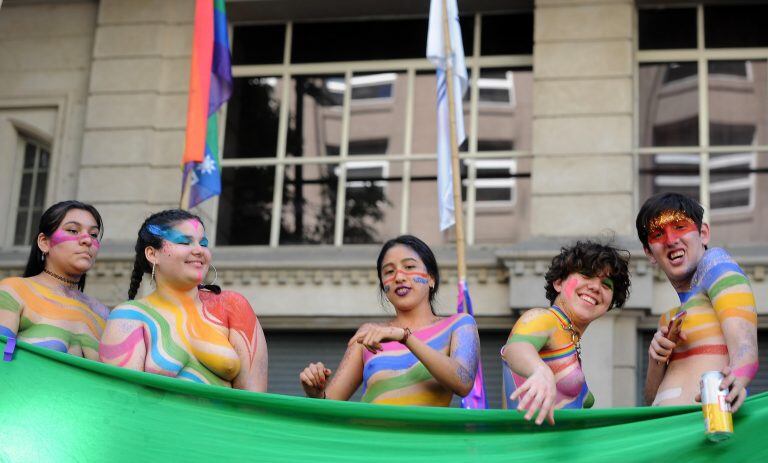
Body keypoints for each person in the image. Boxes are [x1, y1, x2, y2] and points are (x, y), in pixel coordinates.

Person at [299, 235, 480, 406]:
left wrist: (405, 337)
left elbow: (463, 382)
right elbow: (330, 405)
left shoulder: (459, 324)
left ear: (431, 278)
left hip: (426, 439)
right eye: (389, 272)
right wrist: (316, 393)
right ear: (383, 287)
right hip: (370, 437)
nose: (399, 277)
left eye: (409, 267)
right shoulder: (368, 333)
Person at [99, 209, 267, 392]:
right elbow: (123, 399)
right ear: (152, 254)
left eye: (203, 243)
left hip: (221, 421)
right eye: (184, 242)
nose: (199, 251)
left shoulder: (233, 306)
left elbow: (253, 401)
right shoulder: (128, 316)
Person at [636, 193, 757, 411]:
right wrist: (656, 357)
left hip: (706, 429)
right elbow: (650, 399)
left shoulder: (716, 264)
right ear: (649, 253)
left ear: (703, 233)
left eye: (680, 227)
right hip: (666, 433)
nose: (671, 240)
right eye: (658, 234)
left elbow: (746, 349)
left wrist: (736, 380)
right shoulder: (669, 318)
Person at [501, 240, 631, 425]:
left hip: (566, 451)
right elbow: (515, 349)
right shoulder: (544, 318)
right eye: (587, 275)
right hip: (533, 449)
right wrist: (539, 371)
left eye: (606, 284)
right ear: (559, 282)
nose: (595, 287)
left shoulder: (569, 337)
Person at [0, 201, 109, 360]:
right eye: (73, 230)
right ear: (44, 242)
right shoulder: (14, 291)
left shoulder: (103, 313)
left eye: (93, 234)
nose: (87, 240)